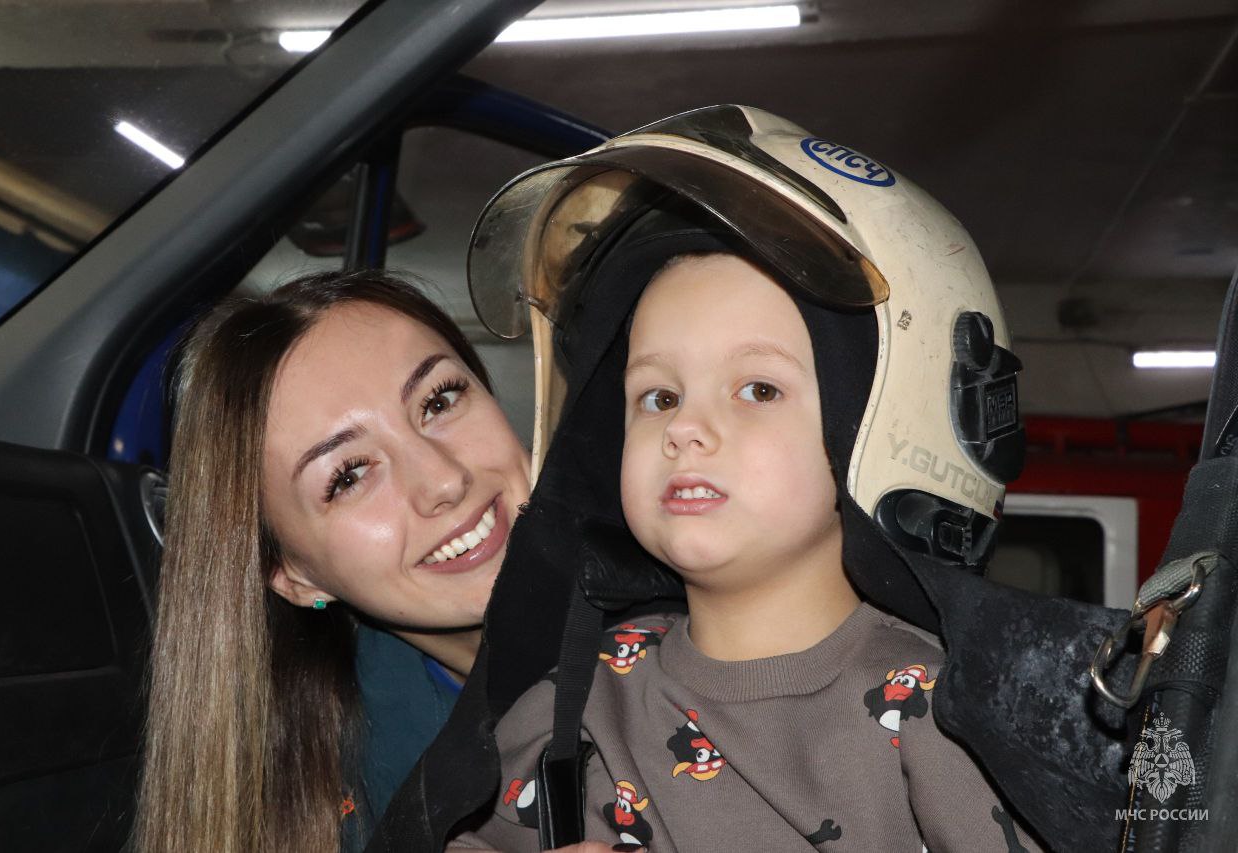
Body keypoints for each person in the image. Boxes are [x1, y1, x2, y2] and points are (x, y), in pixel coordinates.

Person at [377, 106, 1131, 852]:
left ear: (884, 424)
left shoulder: (947, 716)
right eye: (658, 397)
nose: (684, 427)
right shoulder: (575, 702)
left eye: (758, 389)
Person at [133, 269, 532, 853]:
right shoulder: (333, 805)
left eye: (439, 401)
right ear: (292, 576)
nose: (444, 480)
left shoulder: (673, 576)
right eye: (348, 476)